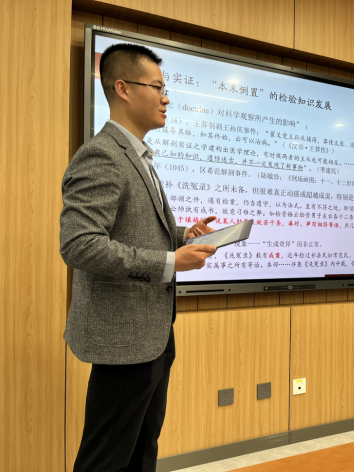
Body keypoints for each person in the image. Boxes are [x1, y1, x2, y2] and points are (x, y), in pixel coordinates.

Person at [60, 43, 215, 472]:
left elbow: (132, 229)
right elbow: (80, 244)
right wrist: (170, 262)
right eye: (158, 87)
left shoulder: (139, 155)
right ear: (123, 88)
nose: (166, 99)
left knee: (141, 449)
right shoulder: (102, 154)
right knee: (106, 458)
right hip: (122, 341)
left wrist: (183, 236)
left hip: (153, 333)